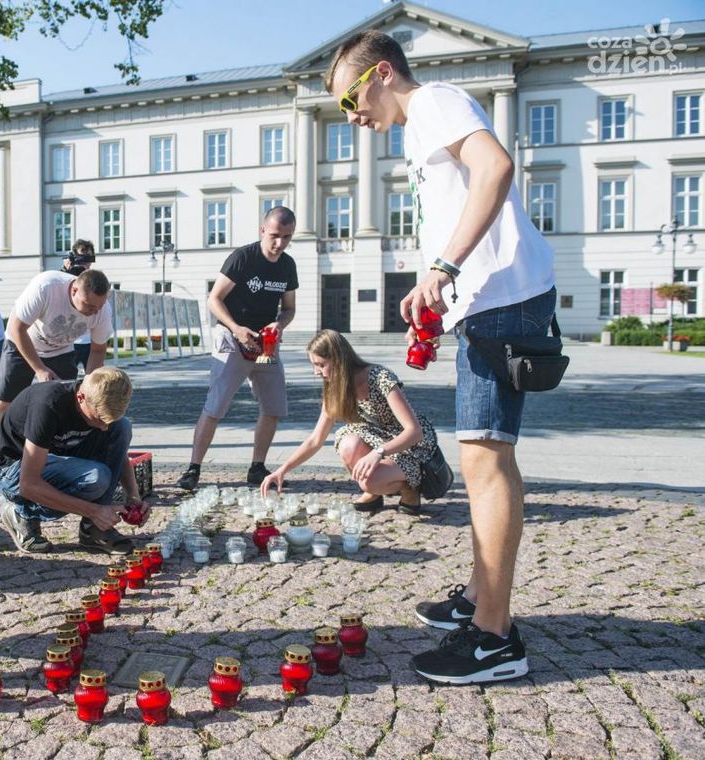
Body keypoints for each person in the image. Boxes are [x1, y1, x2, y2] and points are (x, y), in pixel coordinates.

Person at [327, 30, 556, 684]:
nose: (351, 116)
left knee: (486, 462)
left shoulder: (433, 101)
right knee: (484, 457)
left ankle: (494, 639)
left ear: (381, 73)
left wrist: (446, 266)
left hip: (503, 299)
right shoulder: (416, 125)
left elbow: (495, 168)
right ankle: (482, 603)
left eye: (350, 98)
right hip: (489, 301)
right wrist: (431, 282)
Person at [175, 206, 298, 491]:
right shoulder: (243, 258)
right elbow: (214, 299)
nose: (280, 243)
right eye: (275, 236)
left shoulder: (288, 265)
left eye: (287, 237)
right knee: (216, 405)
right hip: (232, 339)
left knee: (273, 406)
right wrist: (236, 328)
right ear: (263, 231)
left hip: (266, 345)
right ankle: (193, 468)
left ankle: (257, 467)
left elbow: (289, 308)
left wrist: (280, 324)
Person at [259, 330, 438, 515]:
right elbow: (315, 440)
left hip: (410, 444)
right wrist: (282, 470)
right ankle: (374, 493)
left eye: (321, 364)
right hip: (377, 438)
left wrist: (378, 453)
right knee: (348, 443)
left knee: (369, 480)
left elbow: (414, 431)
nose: (316, 372)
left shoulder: (379, 377)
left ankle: (410, 488)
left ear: (338, 359)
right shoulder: (335, 387)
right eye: (314, 365)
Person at [0, 268, 114, 494]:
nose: (93, 312)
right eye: (88, 305)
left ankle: (55, 463)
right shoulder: (46, 287)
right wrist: (39, 368)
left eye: (98, 307)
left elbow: (97, 350)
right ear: (74, 289)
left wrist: (90, 385)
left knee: (70, 408)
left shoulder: (101, 308)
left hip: (61, 350)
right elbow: (17, 328)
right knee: (4, 402)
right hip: (22, 344)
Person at [0, 366, 146, 554]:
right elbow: (29, 484)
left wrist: (133, 496)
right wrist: (94, 511)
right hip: (13, 469)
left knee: (121, 427)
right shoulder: (48, 405)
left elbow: (117, 453)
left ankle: (93, 530)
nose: (104, 428)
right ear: (81, 397)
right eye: (99, 420)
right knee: (96, 479)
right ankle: (22, 515)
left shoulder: (98, 408)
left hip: (57, 457)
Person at [62, 239, 97, 373]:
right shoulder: (66, 276)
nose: (84, 264)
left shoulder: (94, 278)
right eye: (81, 259)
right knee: (66, 377)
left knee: (94, 378)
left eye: (88, 259)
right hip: (71, 342)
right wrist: (66, 270)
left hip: (89, 340)